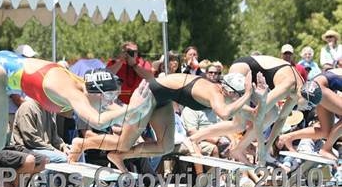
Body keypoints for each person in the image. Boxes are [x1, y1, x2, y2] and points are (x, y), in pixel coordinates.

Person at [0, 51, 150, 180]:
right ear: (98, 93)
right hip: (1, 74)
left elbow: (110, 112)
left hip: (2, 67)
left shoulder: (84, 88)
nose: (112, 103)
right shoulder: (71, 91)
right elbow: (98, 120)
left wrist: (135, 111)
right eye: (110, 98)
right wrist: (136, 108)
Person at [80, 70, 255, 172]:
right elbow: (225, 113)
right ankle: (83, 144)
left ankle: (119, 156)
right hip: (147, 95)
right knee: (124, 142)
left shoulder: (222, 93)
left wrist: (258, 105)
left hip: (162, 100)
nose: (240, 100)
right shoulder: (214, 93)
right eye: (239, 96)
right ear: (230, 92)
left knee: (165, 146)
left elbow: (240, 109)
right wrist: (247, 94)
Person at [189, 55, 322, 166]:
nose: (308, 109)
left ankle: (238, 149)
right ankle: (195, 139)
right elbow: (260, 112)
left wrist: (268, 144)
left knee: (268, 116)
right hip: (241, 71)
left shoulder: (298, 90)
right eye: (309, 105)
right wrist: (261, 146)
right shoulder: (288, 85)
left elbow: (282, 119)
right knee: (248, 121)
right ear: (303, 95)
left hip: (252, 75)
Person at [280, 68, 342, 161]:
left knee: (326, 132)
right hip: (318, 87)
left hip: (317, 86)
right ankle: (326, 149)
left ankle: (288, 137)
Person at [11, 98, 69, 163]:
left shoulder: (48, 109)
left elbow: (55, 136)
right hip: (27, 149)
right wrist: (54, 150)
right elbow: (31, 140)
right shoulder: (27, 107)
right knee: (63, 158)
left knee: (74, 153)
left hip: (45, 148)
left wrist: (63, 147)